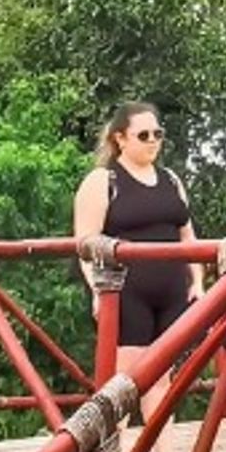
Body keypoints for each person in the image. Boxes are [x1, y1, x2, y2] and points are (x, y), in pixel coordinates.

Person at [71, 101, 192, 364]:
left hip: (173, 291)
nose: (152, 141)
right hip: (125, 290)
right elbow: (85, 246)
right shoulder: (103, 180)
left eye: (158, 134)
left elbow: (188, 238)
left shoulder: (171, 180)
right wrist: (97, 291)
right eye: (144, 135)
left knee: (164, 375)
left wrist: (199, 284)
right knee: (129, 378)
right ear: (120, 138)